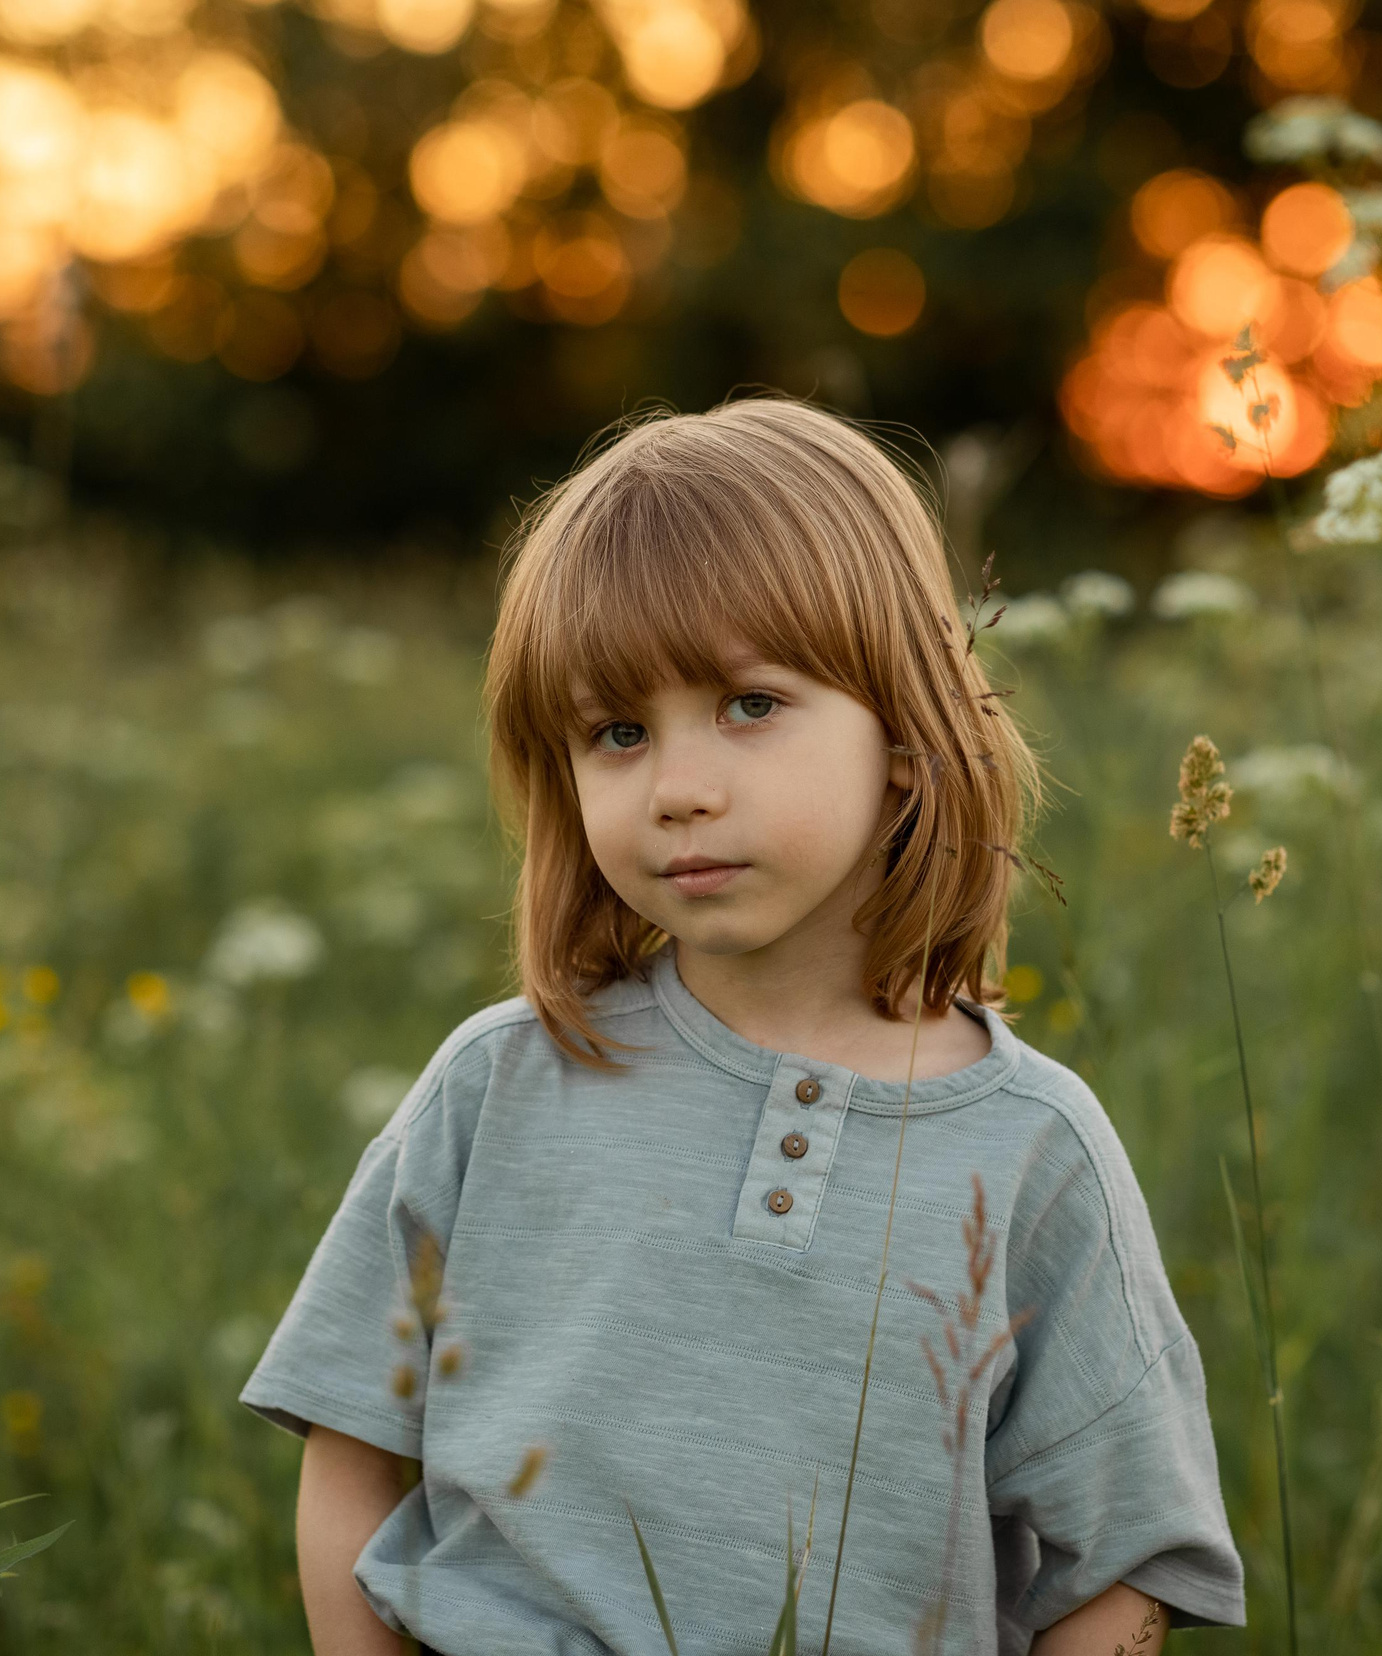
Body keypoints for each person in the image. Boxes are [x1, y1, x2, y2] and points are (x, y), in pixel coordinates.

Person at [239, 396, 1244, 1653]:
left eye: (749, 705)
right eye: (616, 733)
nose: (679, 790)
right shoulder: (500, 1085)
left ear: (903, 727)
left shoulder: (1034, 1153)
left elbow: (1126, 1566)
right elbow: (351, 1450)